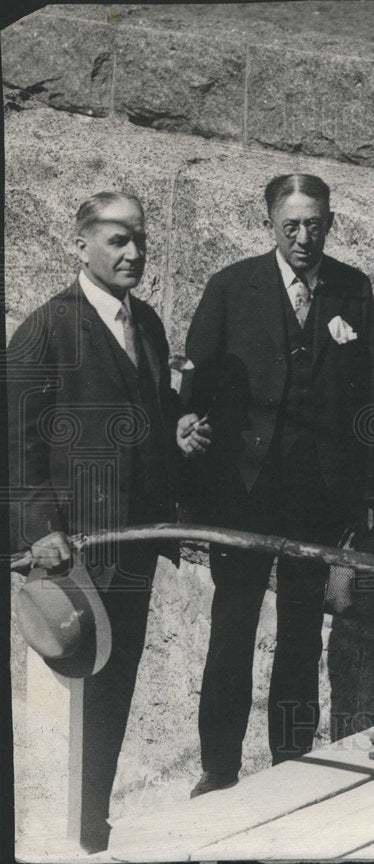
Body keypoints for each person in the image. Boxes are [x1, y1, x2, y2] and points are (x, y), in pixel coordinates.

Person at [183, 174, 374, 796]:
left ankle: (290, 763)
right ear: (270, 223)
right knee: (234, 623)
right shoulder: (231, 286)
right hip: (242, 489)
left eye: (315, 224)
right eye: (291, 225)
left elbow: (368, 400)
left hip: (316, 493)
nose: (304, 237)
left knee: (301, 630)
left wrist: (365, 494)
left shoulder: (353, 288)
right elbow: (196, 388)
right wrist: (189, 435)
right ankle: (218, 769)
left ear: (330, 222)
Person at [7, 192, 193, 851]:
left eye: (139, 239)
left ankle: (92, 829)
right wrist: (36, 532)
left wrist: (179, 424)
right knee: (69, 699)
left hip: (133, 549)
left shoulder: (146, 324)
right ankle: (56, 837)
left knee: (113, 694)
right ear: (79, 244)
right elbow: (14, 443)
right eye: (116, 240)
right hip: (69, 560)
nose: (133, 253)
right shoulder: (47, 327)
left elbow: (146, 416)